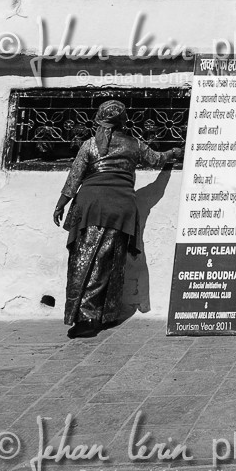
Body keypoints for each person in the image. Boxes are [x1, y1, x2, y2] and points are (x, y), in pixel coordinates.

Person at [53, 99, 183, 338]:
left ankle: (86, 317)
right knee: (108, 261)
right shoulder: (134, 145)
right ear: (123, 121)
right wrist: (173, 153)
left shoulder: (89, 145)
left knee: (84, 262)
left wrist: (61, 205)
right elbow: (157, 160)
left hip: (90, 207)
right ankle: (104, 314)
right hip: (120, 209)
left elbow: (75, 177)